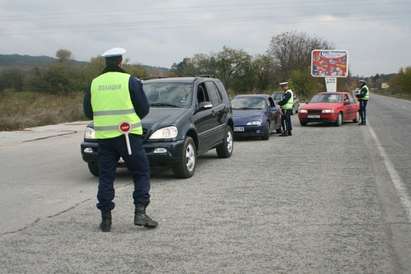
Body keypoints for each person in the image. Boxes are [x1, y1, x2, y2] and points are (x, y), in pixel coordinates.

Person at [83, 47, 158, 232]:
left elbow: (87, 112)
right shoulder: (130, 80)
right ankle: (140, 213)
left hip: (104, 137)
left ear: (105, 63)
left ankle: (106, 219)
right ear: (120, 62)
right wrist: (129, 119)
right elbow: (143, 108)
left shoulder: (94, 83)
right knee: (140, 172)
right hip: (128, 135)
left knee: (106, 176)